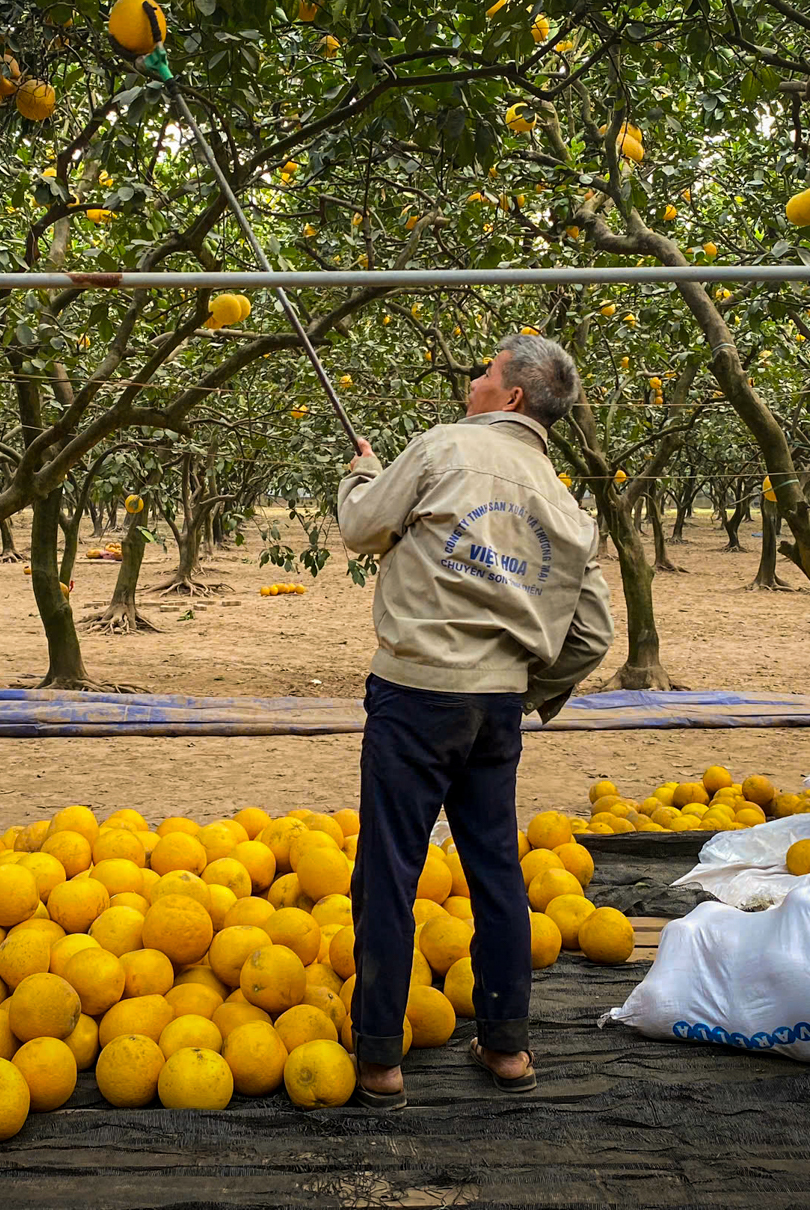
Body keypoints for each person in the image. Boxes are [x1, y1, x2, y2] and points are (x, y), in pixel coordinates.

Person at [334, 333, 614, 1109]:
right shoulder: (565, 505)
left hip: (416, 695)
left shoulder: (442, 449)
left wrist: (361, 471)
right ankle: (508, 1049)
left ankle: (382, 1060)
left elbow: (362, 527)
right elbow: (593, 635)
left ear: (514, 394)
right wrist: (520, 689)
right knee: (494, 870)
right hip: (494, 711)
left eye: (487, 370)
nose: (475, 377)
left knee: (389, 869)